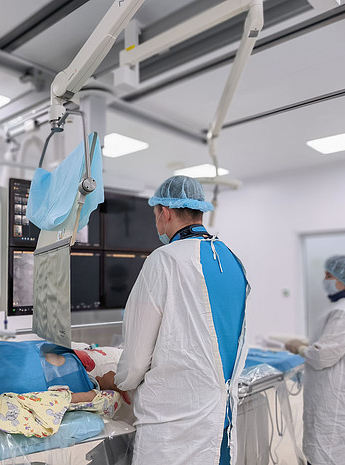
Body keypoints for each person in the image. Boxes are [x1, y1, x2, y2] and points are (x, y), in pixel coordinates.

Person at [96, 175, 249, 465]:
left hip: (173, 425)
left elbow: (136, 363)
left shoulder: (164, 260)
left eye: (156, 215)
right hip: (220, 417)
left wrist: (115, 380)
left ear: (165, 212)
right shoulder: (231, 259)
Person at [285, 255, 345, 465]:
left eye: (329, 276)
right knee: (332, 448)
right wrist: (309, 344)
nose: (325, 280)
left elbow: (322, 356)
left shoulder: (344, 312)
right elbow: (334, 342)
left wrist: (301, 348)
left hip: (337, 400)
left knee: (330, 451)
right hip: (340, 392)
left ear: (344, 280)